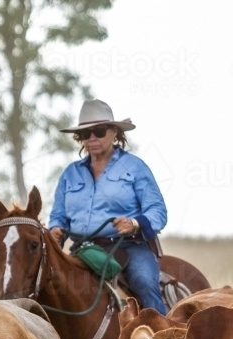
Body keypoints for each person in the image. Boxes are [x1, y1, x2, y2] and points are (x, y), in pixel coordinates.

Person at [48, 99, 168, 314]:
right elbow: (58, 215)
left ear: (114, 132)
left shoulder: (135, 167)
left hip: (128, 247)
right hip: (84, 250)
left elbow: (157, 211)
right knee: (51, 288)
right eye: (86, 134)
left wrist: (134, 223)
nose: (92, 138)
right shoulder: (70, 174)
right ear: (80, 139)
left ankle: (163, 337)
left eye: (100, 131)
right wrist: (55, 230)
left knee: (144, 282)